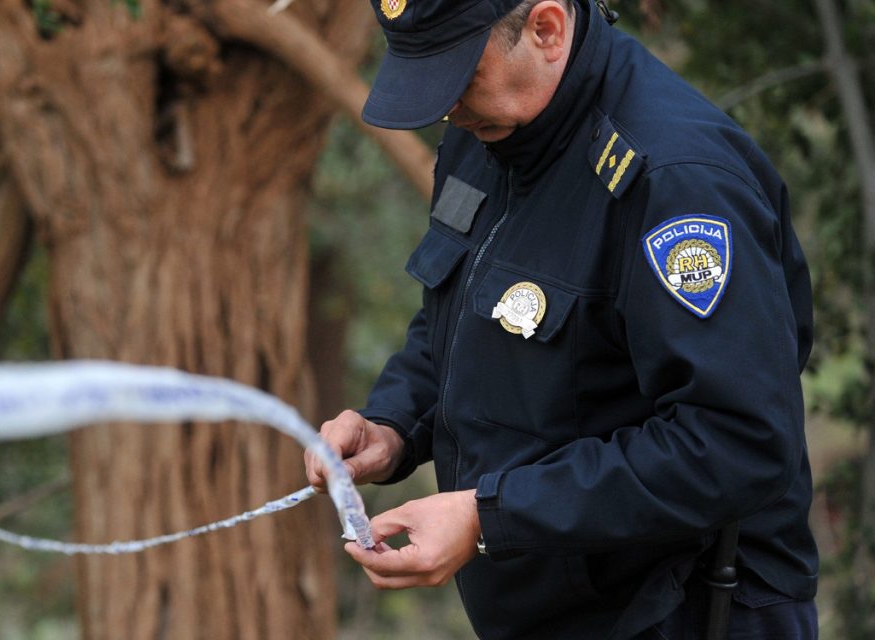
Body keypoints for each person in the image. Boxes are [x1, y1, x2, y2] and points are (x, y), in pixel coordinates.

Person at [303, 0, 819, 637]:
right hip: (553, 609)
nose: (446, 108)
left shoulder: (675, 182)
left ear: (546, 29)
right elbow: (462, 316)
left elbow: (737, 442)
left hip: (677, 611)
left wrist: (491, 519)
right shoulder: (489, 129)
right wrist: (393, 424)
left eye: (458, 75)